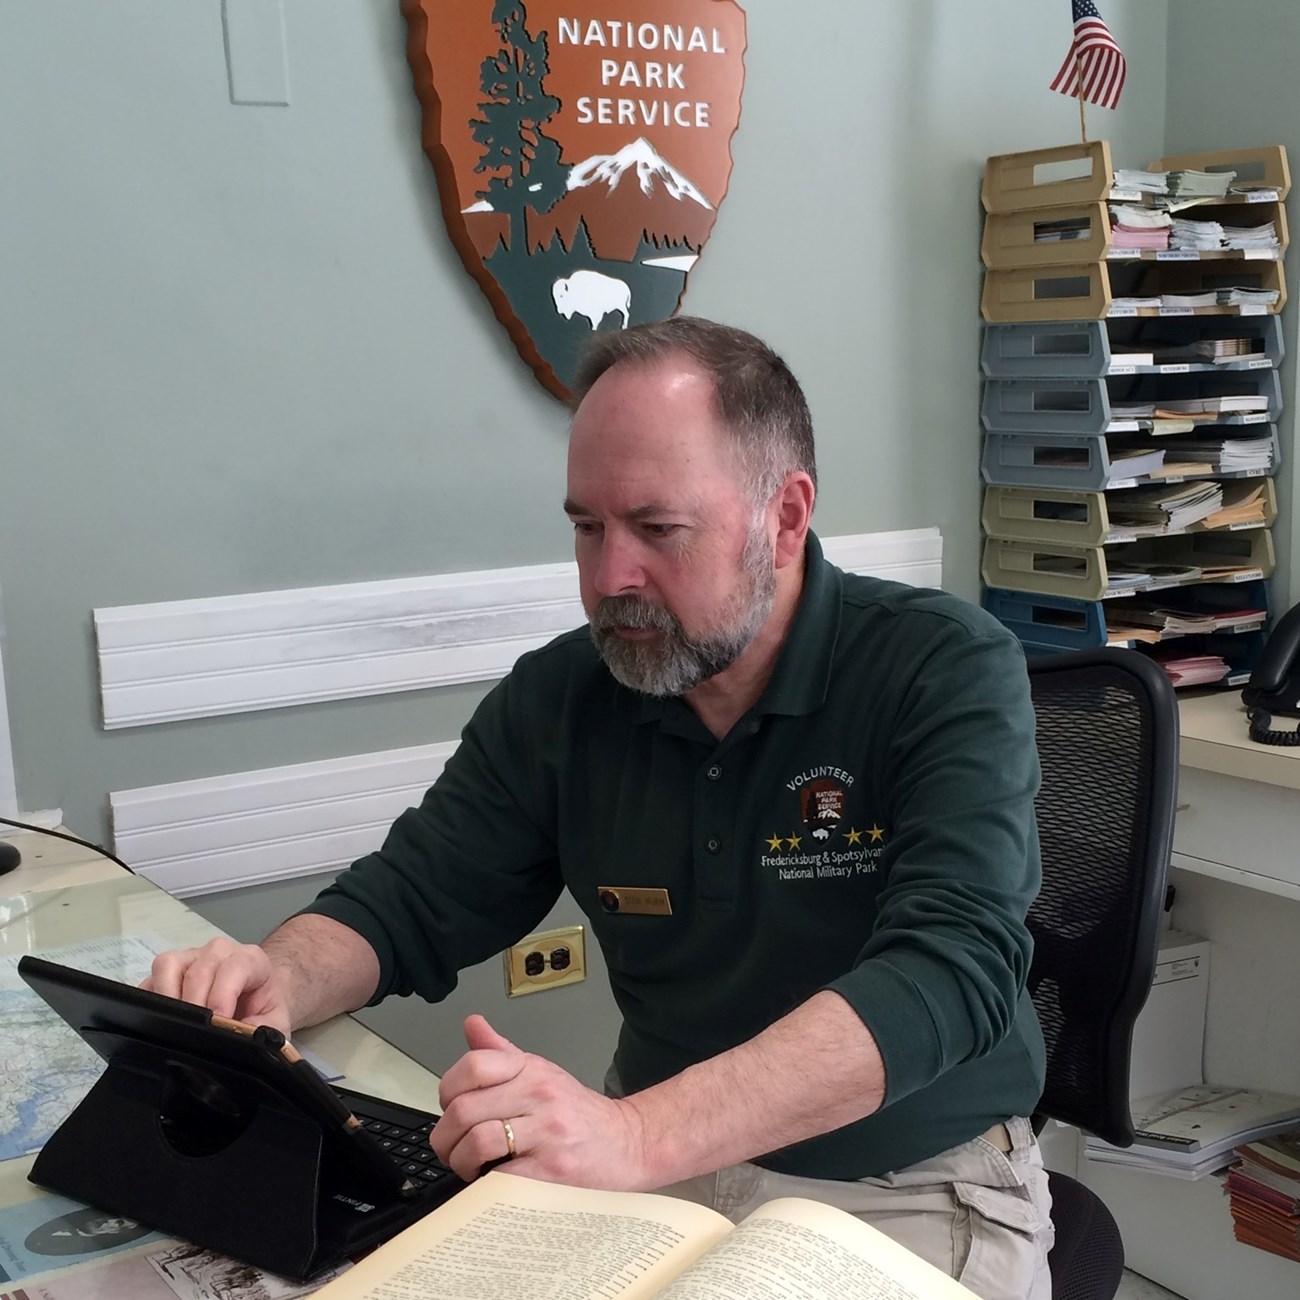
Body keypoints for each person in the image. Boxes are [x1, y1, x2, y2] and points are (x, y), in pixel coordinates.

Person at [147, 317, 1052, 1300]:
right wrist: (274, 978)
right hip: (651, 1166)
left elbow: (954, 968)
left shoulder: (943, 664)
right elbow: (411, 895)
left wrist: (632, 1131)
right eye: (587, 527)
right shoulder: (565, 695)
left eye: (657, 529)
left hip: (905, 1176)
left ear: (784, 517)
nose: (609, 577)